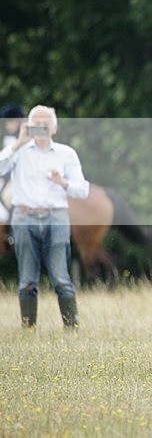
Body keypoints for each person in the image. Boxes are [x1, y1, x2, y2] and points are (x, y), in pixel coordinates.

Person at [0, 105, 90, 330]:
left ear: (55, 127)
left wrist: (63, 182)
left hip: (55, 217)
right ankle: (28, 328)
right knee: (27, 281)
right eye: (36, 125)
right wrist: (19, 142)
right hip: (24, 217)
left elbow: (83, 190)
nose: (41, 128)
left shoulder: (66, 154)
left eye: (45, 124)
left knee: (61, 278)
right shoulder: (18, 150)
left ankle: (71, 327)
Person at [0, 103, 26, 225]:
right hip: (8, 175)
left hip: (22, 175)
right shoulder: (7, 138)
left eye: (12, 122)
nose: (9, 125)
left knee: (7, 196)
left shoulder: (27, 134)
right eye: (7, 122)